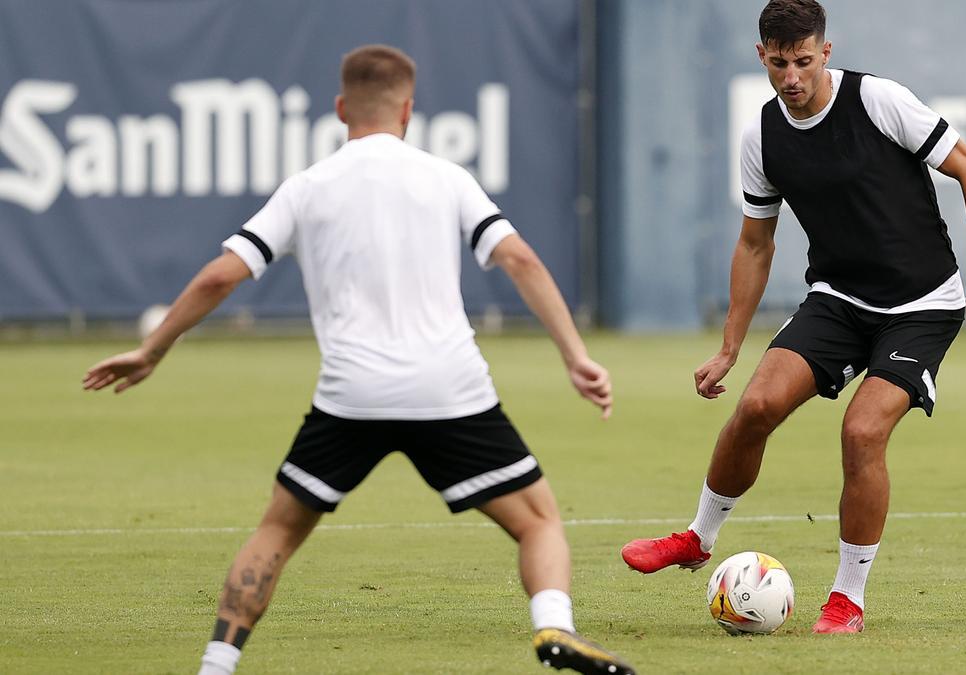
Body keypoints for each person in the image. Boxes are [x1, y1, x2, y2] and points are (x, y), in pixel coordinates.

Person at [83, 44, 634, 675]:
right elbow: (521, 260)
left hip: (352, 395)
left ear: (342, 107)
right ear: (409, 109)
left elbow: (219, 276)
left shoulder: (307, 188)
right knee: (538, 521)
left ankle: (216, 664)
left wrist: (152, 350)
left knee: (277, 532)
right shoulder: (447, 178)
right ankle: (554, 628)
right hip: (449, 389)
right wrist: (575, 356)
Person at [620, 0, 966, 634]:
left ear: (825, 52)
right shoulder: (762, 136)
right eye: (779, 63)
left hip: (922, 306)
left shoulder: (878, 101)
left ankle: (847, 598)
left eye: (803, 61)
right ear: (761, 57)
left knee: (862, 432)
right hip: (838, 300)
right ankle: (697, 537)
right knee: (755, 407)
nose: (792, 77)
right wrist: (729, 347)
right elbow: (755, 244)